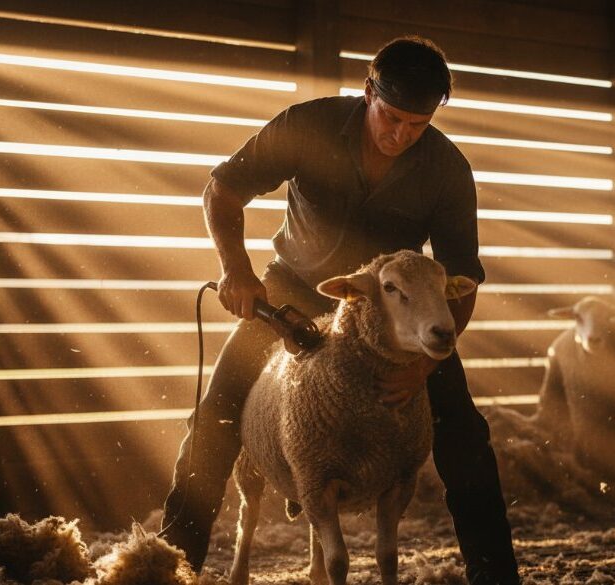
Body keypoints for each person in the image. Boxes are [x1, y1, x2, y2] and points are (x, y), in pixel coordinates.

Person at [161, 36, 522, 585]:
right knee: (219, 414)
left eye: (417, 125)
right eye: (392, 117)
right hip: (292, 295)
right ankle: (165, 566)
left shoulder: (447, 169)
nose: (401, 135)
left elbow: (459, 276)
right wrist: (237, 271)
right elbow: (223, 189)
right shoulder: (308, 125)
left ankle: (496, 576)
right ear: (367, 90)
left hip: (392, 312)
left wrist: (424, 366)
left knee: (464, 431)